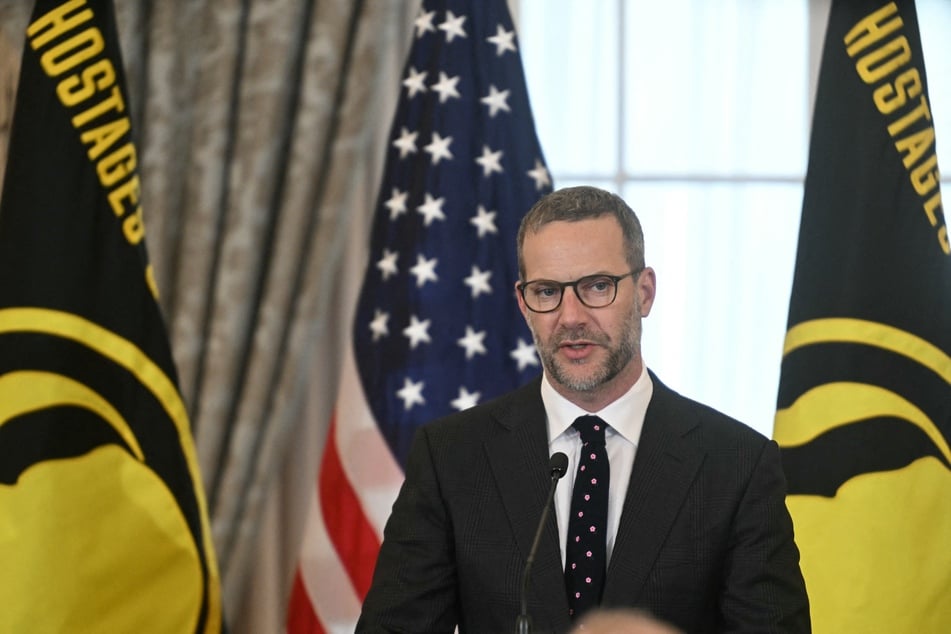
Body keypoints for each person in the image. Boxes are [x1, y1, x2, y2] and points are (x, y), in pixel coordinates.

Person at [356, 186, 810, 633]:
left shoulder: (737, 465)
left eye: (597, 286)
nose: (570, 316)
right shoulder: (452, 457)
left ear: (645, 292)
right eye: (548, 291)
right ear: (523, 304)